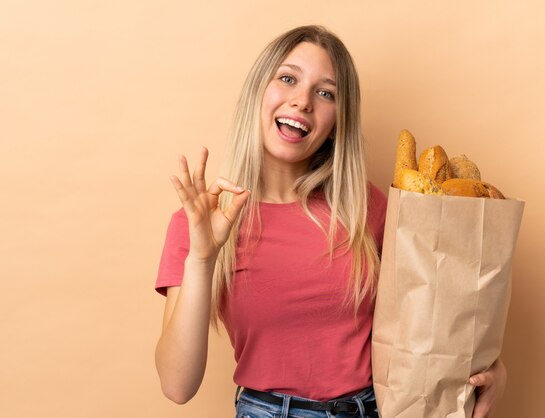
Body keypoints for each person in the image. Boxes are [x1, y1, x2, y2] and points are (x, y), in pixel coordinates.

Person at [154, 25, 506, 418]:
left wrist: (490, 370)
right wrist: (202, 257)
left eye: (325, 93)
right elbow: (177, 385)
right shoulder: (200, 222)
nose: (302, 101)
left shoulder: (368, 209)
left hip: (375, 409)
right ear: (258, 91)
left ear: (339, 119)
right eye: (287, 78)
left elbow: (434, 317)